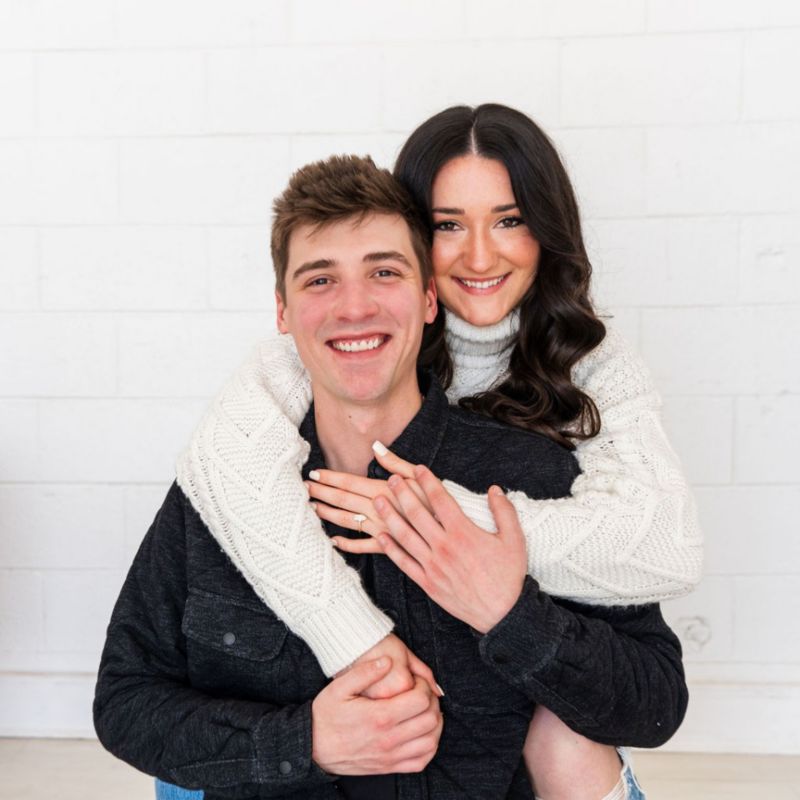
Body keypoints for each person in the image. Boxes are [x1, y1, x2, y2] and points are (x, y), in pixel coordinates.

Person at [96, 155, 687, 800]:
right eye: (320, 280)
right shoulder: (226, 488)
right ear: (282, 312)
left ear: (429, 299)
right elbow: (124, 701)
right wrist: (305, 742)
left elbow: (657, 703)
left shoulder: (527, 473)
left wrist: (511, 615)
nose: (354, 307)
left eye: (384, 272)